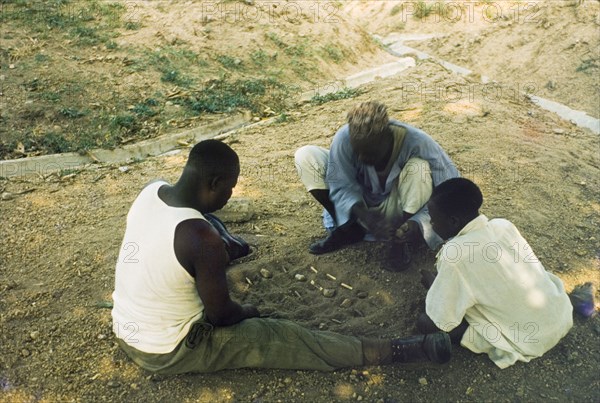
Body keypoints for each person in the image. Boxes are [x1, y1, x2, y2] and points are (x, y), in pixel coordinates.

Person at [111, 139, 452, 374]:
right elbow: (222, 316)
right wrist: (250, 311)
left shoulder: (151, 191)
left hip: (128, 330)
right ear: (214, 182)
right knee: (281, 337)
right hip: (168, 350)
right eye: (230, 188)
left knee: (211, 225)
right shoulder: (200, 238)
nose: (231, 195)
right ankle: (399, 350)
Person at [417, 178, 573, 369]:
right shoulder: (503, 226)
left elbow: (439, 321)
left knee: (425, 322)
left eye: (433, 218)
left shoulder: (454, 254)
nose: (431, 223)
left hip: (532, 338)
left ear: (453, 221)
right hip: (560, 316)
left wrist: (434, 285)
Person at [294, 101, 459, 269]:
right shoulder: (344, 137)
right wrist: (364, 215)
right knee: (306, 156)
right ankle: (348, 229)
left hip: (400, 207)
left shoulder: (417, 141)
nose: (364, 157)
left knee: (419, 168)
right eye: (359, 151)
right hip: (362, 206)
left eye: (371, 152)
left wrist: (417, 223)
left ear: (388, 137)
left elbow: (449, 188)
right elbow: (340, 183)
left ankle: (398, 239)